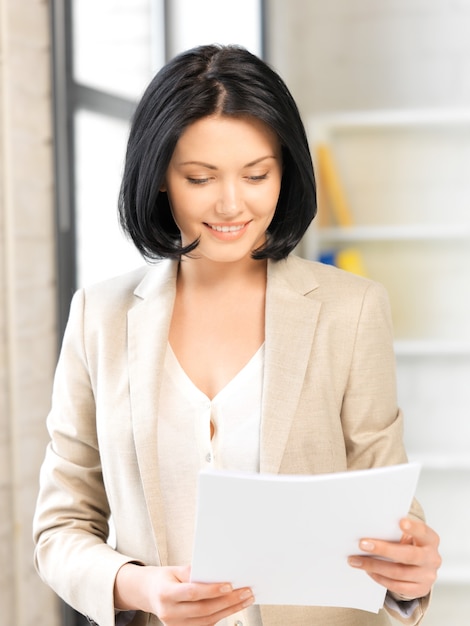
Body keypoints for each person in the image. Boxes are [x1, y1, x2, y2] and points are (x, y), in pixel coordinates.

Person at [33, 44, 441, 626]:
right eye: (199, 178)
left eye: (257, 175)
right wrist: (137, 587)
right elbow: (60, 528)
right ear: (159, 179)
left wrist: (408, 574)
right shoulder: (99, 315)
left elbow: (387, 506)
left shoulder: (351, 310)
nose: (231, 203)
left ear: (285, 171)